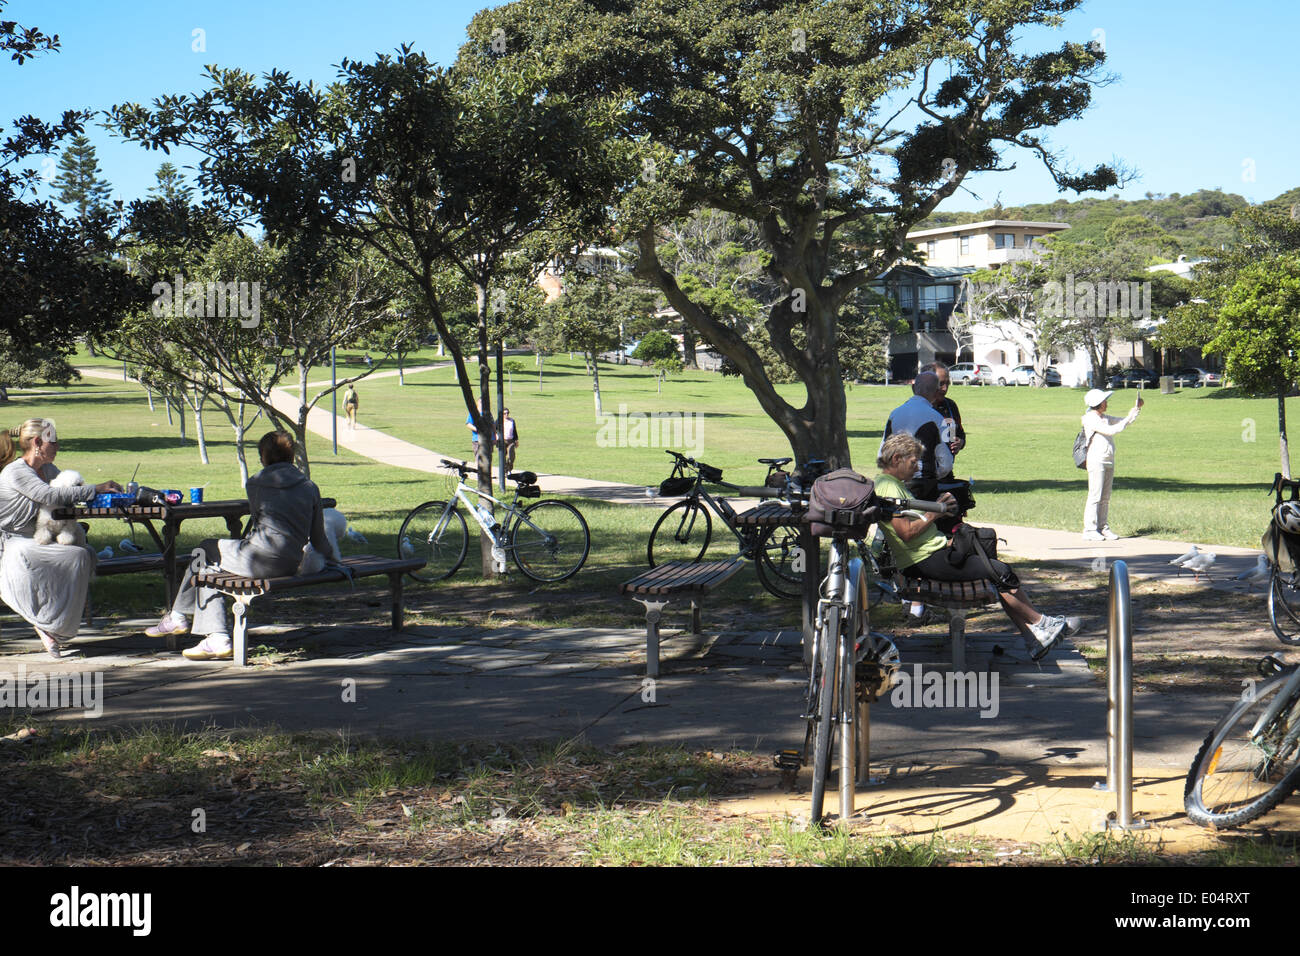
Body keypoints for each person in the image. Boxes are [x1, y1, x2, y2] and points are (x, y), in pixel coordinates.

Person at [875, 433, 1079, 660]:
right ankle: (1041, 623)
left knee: (988, 556)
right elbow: (906, 532)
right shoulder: (888, 488)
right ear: (896, 459)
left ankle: (1034, 638)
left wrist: (940, 512)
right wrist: (935, 512)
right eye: (914, 462)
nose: (918, 468)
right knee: (998, 572)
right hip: (924, 561)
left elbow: (913, 524)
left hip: (931, 554)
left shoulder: (890, 485)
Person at [144, 431, 331, 661]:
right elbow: (319, 537)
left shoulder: (256, 483)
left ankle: (182, 618)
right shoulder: (310, 486)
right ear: (291, 455)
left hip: (257, 558)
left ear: (264, 456)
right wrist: (336, 563)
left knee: (203, 550)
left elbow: (258, 521)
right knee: (207, 569)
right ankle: (213, 637)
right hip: (290, 563)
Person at [0, 419, 122, 658]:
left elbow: (67, 490)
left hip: (36, 540)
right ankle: (47, 623)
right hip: (12, 543)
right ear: (37, 442)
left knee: (84, 553)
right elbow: (48, 493)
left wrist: (110, 496)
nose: (57, 447)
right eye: (53, 442)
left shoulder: (47, 470)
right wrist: (95, 488)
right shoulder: (16, 471)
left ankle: (53, 622)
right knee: (76, 555)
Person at [1080, 387, 1142, 542]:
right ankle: (1090, 529)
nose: (1107, 403)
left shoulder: (1104, 417)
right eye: (1104, 401)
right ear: (1099, 403)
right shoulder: (1090, 419)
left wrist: (1136, 409)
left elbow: (1122, 422)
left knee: (1105, 496)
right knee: (1095, 495)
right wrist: (1127, 418)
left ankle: (1103, 527)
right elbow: (1112, 430)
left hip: (1108, 459)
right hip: (1096, 460)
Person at [881, 370, 953, 501]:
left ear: (913, 388)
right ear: (936, 393)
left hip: (895, 484)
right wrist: (933, 475)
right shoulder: (937, 418)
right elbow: (946, 463)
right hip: (924, 486)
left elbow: (882, 453)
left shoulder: (895, 414)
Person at [922, 361, 966, 459]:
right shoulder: (914, 408)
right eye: (941, 384)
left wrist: (960, 443)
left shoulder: (950, 406)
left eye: (947, 383)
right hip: (921, 472)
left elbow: (960, 434)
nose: (945, 389)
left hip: (946, 471)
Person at [500, 408, 519, 472]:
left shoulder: (512, 421)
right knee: (503, 456)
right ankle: (505, 470)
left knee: (511, 456)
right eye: (504, 413)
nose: (506, 414)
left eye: (507, 413)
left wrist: (516, 440)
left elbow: (514, 431)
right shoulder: (499, 421)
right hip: (502, 441)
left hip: (511, 440)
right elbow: (495, 429)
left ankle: (509, 468)